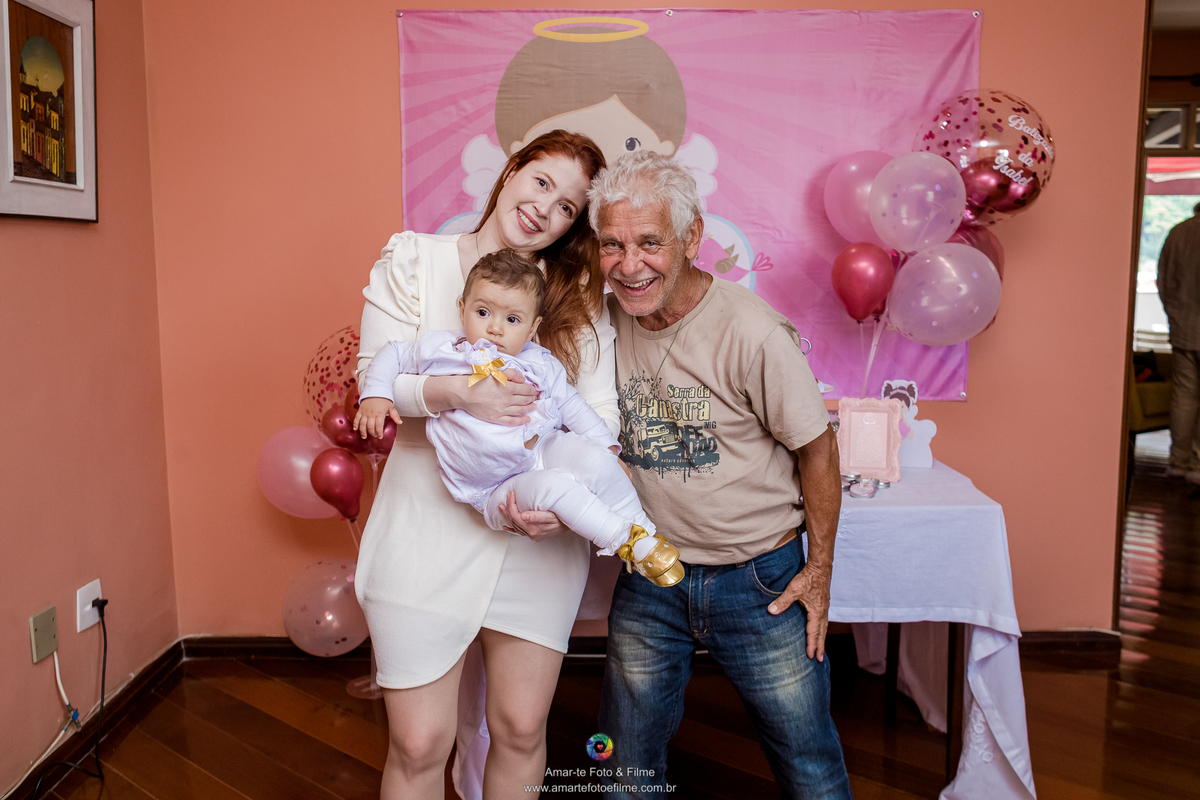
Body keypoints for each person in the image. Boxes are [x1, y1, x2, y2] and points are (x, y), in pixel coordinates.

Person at [354, 130, 616, 800]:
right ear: (511, 172)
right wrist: (455, 392)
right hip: (424, 522)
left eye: (566, 207)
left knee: (521, 729)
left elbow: (598, 417)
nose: (544, 209)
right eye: (541, 182)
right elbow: (375, 383)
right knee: (417, 744)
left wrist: (561, 505)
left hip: (533, 535)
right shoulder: (415, 259)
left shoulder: (575, 304)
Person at [589, 151, 853, 799]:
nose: (629, 264)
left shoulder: (754, 332)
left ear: (692, 237)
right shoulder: (599, 319)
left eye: (650, 242)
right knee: (625, 772)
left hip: (758, 581)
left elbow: (818, 451)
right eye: (612, 245)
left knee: (809, 765)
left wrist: (818, 574)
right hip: (649, 574)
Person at [354, 249, 681, 583]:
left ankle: (644, 533)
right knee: (556, 488)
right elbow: (391, 352)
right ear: (462, 309)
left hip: (545, 448)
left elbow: (574, 407)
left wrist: (607, 448)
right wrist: (376, 395)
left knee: (598, 462)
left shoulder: (539, 361)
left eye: (512, 320)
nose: (495, 328)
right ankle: (624, 541)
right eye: (483, 312)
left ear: (532, 328)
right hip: (493, 487)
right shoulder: (442, 351)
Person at [1157, 201, 1200, 484]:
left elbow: (1163, 281)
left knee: (1184, 397)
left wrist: (1174, 314)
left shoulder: (1178, 232)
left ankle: (1178, 462)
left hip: (1184, 328)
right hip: (1185, 324)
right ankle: (1197, 467)